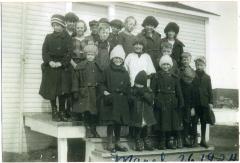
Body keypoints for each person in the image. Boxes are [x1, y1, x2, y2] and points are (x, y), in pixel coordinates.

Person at [39, 14, 72, 122]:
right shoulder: (48, 37)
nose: (56, 27)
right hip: (51, 68)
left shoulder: (67, 38)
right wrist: (49, 62)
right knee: (52, 90)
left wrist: (61, 63)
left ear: (63, 26)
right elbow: (44, 52)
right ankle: (54, 111)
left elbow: (69, 53)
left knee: (62, 91)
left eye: (58, 25)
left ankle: (62, 111)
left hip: (63, 68)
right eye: (54, 25)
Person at [99, 45, 130, 152]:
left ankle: (117, 142)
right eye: (116, 58)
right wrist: (105, 92)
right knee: (111, 122)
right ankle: (110, 142)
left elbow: (128, 85)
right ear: (112, 58)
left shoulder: (125, 72)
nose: (118, 60)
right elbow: (101, 83)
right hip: (111, 99)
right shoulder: (107, 70)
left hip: (121, 100)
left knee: (118, 122)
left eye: (120, 58)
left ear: (122, 60)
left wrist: (126, 95)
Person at [151, 55, 184, 150]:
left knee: (170, 122)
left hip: (171, 101)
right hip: (160, 100)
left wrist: (181, 102)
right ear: (161, 65)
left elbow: (179, 91)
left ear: (170, 66)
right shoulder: (156, 76)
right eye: (164, 64)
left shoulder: (174, 77)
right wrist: (154, 100)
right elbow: (152, 90)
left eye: (167, 64)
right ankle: (162, 141)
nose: (165, 66)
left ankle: (169, 141)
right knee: (161, 121)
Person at [71, 45, 102, 138]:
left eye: (92, 54)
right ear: (85, 55)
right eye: (88, 54)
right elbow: (75, 79)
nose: (90, 56)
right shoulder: (81, 66)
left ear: (95, 55)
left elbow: (101, 79)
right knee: (86, 111)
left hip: (94, 92)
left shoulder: (98, 66)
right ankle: (87, 129)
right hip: (84, 92)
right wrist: (75, 91)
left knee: (94, 112)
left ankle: (94, 129)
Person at [129, 71, 156, 151]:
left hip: (146, 114)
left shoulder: (148, 90)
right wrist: (135, 96)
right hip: (137, 113)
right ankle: (137, 140)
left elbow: (151, 100)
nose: (138, 86)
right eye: (137, 84)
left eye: (140, 85)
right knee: (138, 127)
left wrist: (143, 94)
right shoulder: (132, 90)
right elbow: (130, 100)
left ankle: (145, 139)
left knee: (146, 127)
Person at [191, 56, 213, 148]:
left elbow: (210, 90)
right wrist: (191, 106)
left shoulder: (207, 77)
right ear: (195, 65)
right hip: (195, 104)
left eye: (201, 65)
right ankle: (195, 140)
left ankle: (203, 140)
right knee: (194, 121)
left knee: (204, 121)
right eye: (197, 65)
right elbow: (190, 90)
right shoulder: (192, 75)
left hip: (204, 103)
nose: (199, 66)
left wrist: (211, 102)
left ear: (204, 65)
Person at [179, 52, 196, 147]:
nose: (185, 61)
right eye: (183, 59)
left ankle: (187, 138)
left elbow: (194, 91)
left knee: (187, 120)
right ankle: (180, 139)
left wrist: (193, 106)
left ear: (190, 60)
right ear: (181, 60)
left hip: (189, 101)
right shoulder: (179, 71)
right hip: (181, 99)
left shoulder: (192, 72)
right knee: (180, 119)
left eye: (187, 59)